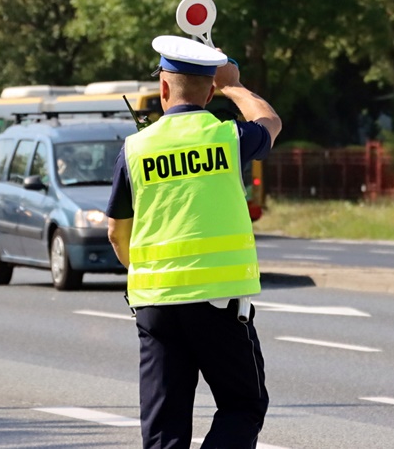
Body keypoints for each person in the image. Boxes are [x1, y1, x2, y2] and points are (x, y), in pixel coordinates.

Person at [107, 35, 282, 449]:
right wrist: (234, 85)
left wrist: (145, 274)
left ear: (163, 89)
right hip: (218, 304)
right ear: (209, 91)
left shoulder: (135, 148)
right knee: (243, 406)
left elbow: (116, 230)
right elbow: (271, 123)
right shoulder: (227, 138)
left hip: (155, 305)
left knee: (164, 429)